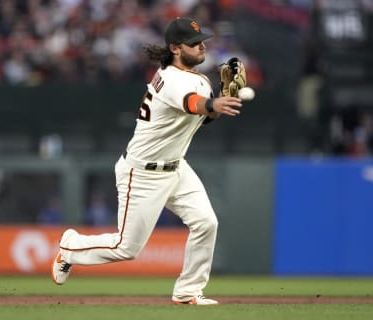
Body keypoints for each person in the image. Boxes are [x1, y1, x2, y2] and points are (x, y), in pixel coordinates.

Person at [52, 17, 245, 305]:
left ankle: (188, 291)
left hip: (177, 166)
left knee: (206, 223)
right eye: (194, 43)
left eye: (203, 40)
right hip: (142, 173)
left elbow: (202, 117)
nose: (202, 46)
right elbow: (192, 103)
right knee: (126, 248)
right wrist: (213, 103)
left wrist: (222, 99)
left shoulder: (199, 80)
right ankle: (71, 247)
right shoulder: (169, 79)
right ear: (176, 49)